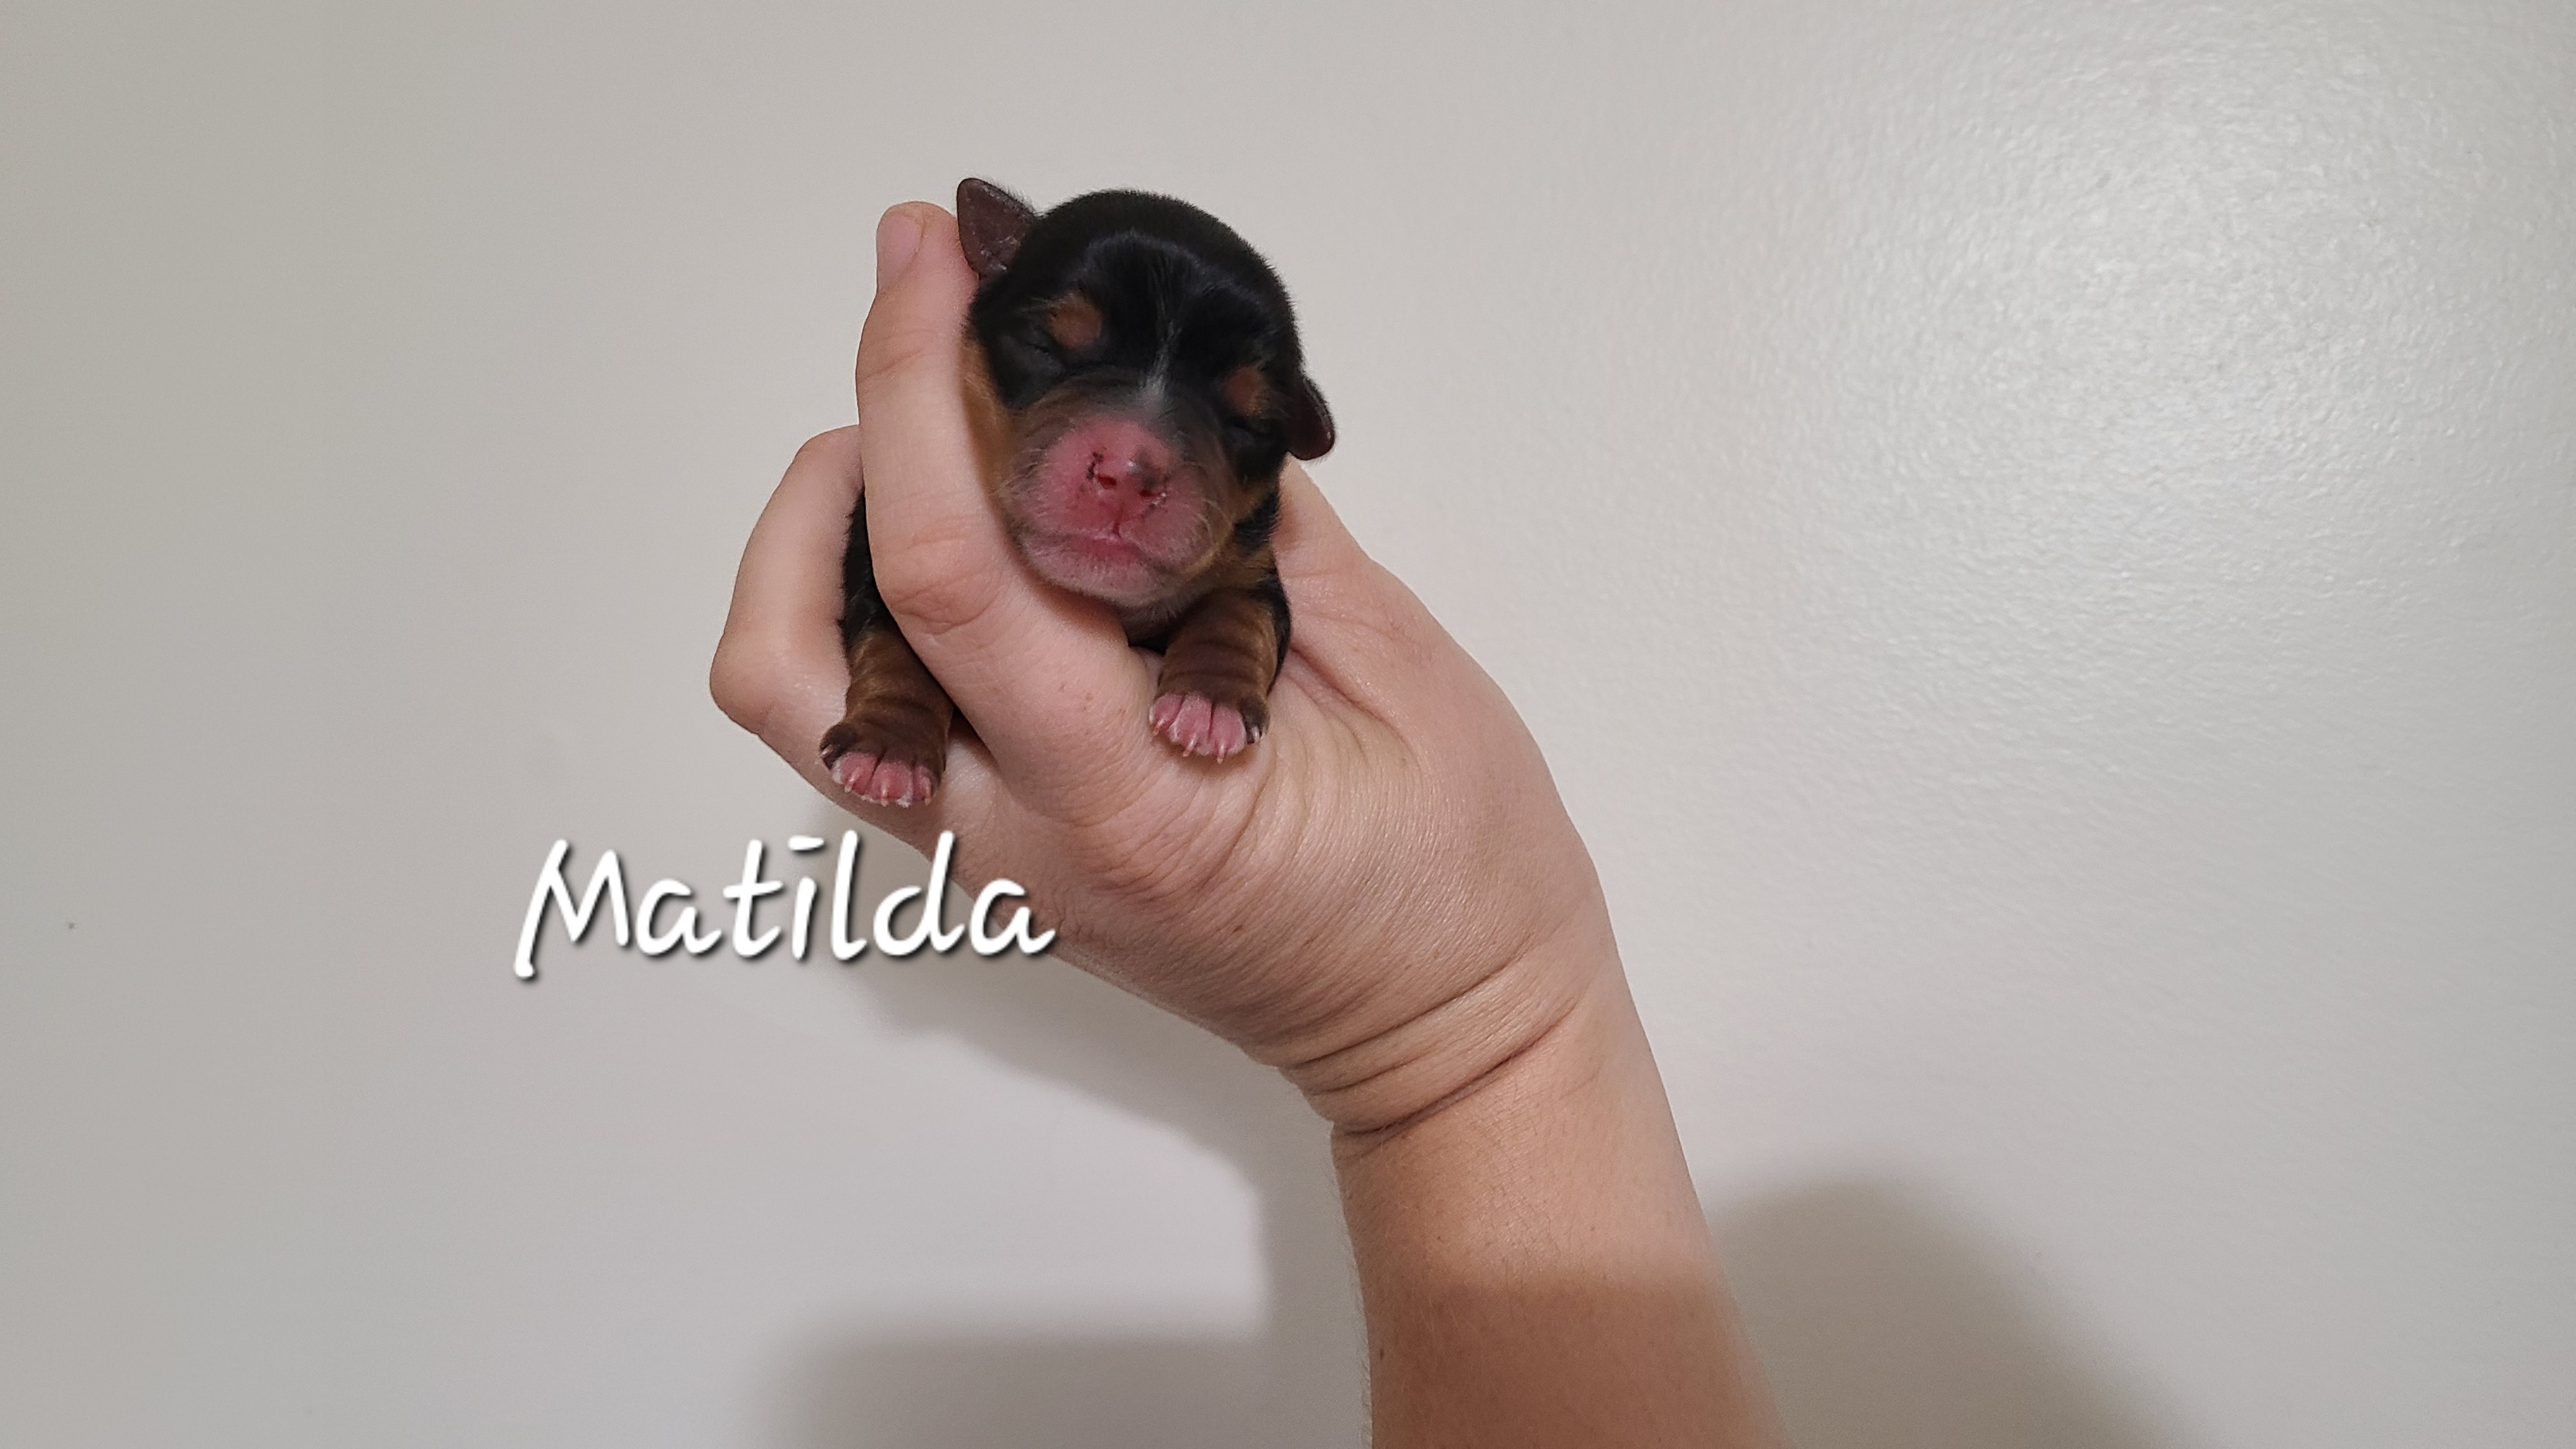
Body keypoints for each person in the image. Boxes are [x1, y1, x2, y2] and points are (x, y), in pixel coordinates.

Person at [710, 202, 1786, 1448]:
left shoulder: (1239, 559)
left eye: (1228, 419)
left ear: (1285, 448)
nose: (1132, 455)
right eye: (1057, 350)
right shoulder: (924, 512)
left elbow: (1250, 602)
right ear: (980, 326)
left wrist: (1462, 1015)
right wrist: (895, 700)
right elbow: (885, 605)